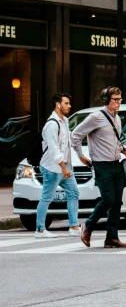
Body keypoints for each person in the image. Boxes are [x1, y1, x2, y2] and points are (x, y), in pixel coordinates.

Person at [71, 86, 126, 249]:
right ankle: (88, 225)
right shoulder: (95, 117)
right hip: (101, 165)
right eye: (115, 99)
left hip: (116, 164)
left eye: (120, 99)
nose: (119, 102)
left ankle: (112, 237)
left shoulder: (117, 118)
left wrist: (122, 149)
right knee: (108, 199)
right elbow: (75, 135)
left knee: (117, 202)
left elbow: (112, 141)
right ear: (106, 100)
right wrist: (80, 155)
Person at [34, 93, 81, 239]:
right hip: (52, 168)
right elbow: (54, 149)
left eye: (69, 103)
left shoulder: (65, 121)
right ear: (58, 104)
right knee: (47, 197)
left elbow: (68, 143)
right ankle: (40, 229)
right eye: (66, 103)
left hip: (64, 165)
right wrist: (63, 167)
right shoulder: (51, 125)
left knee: (74, 193)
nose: (69, 106)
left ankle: (74, 227)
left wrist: (80, 157)